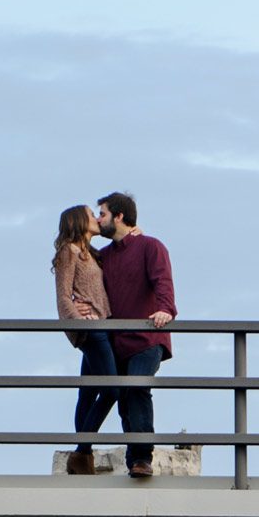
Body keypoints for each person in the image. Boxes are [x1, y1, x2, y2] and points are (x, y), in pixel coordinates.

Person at [94, 192, 176, 482]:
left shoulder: (150, 246)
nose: (97, 219)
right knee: (122, 397)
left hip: (147, 337)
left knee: (137, 388)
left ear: (119, 216)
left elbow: (162, 280)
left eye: (101, 213)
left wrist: (166, 309)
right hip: (115, 342)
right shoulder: (101, 256)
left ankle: (142, 458)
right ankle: (118, 455)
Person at [52, 204, 116, 476]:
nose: (96, 219)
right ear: (79, 221)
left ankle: (83, 458)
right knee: (113, 389)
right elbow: (64, 296)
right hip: (91, 330)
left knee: (88, 393)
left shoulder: (93, 253)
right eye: (92, 214)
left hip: (103, 325)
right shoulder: (69, 251)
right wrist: (76, 321)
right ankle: (82, 452)